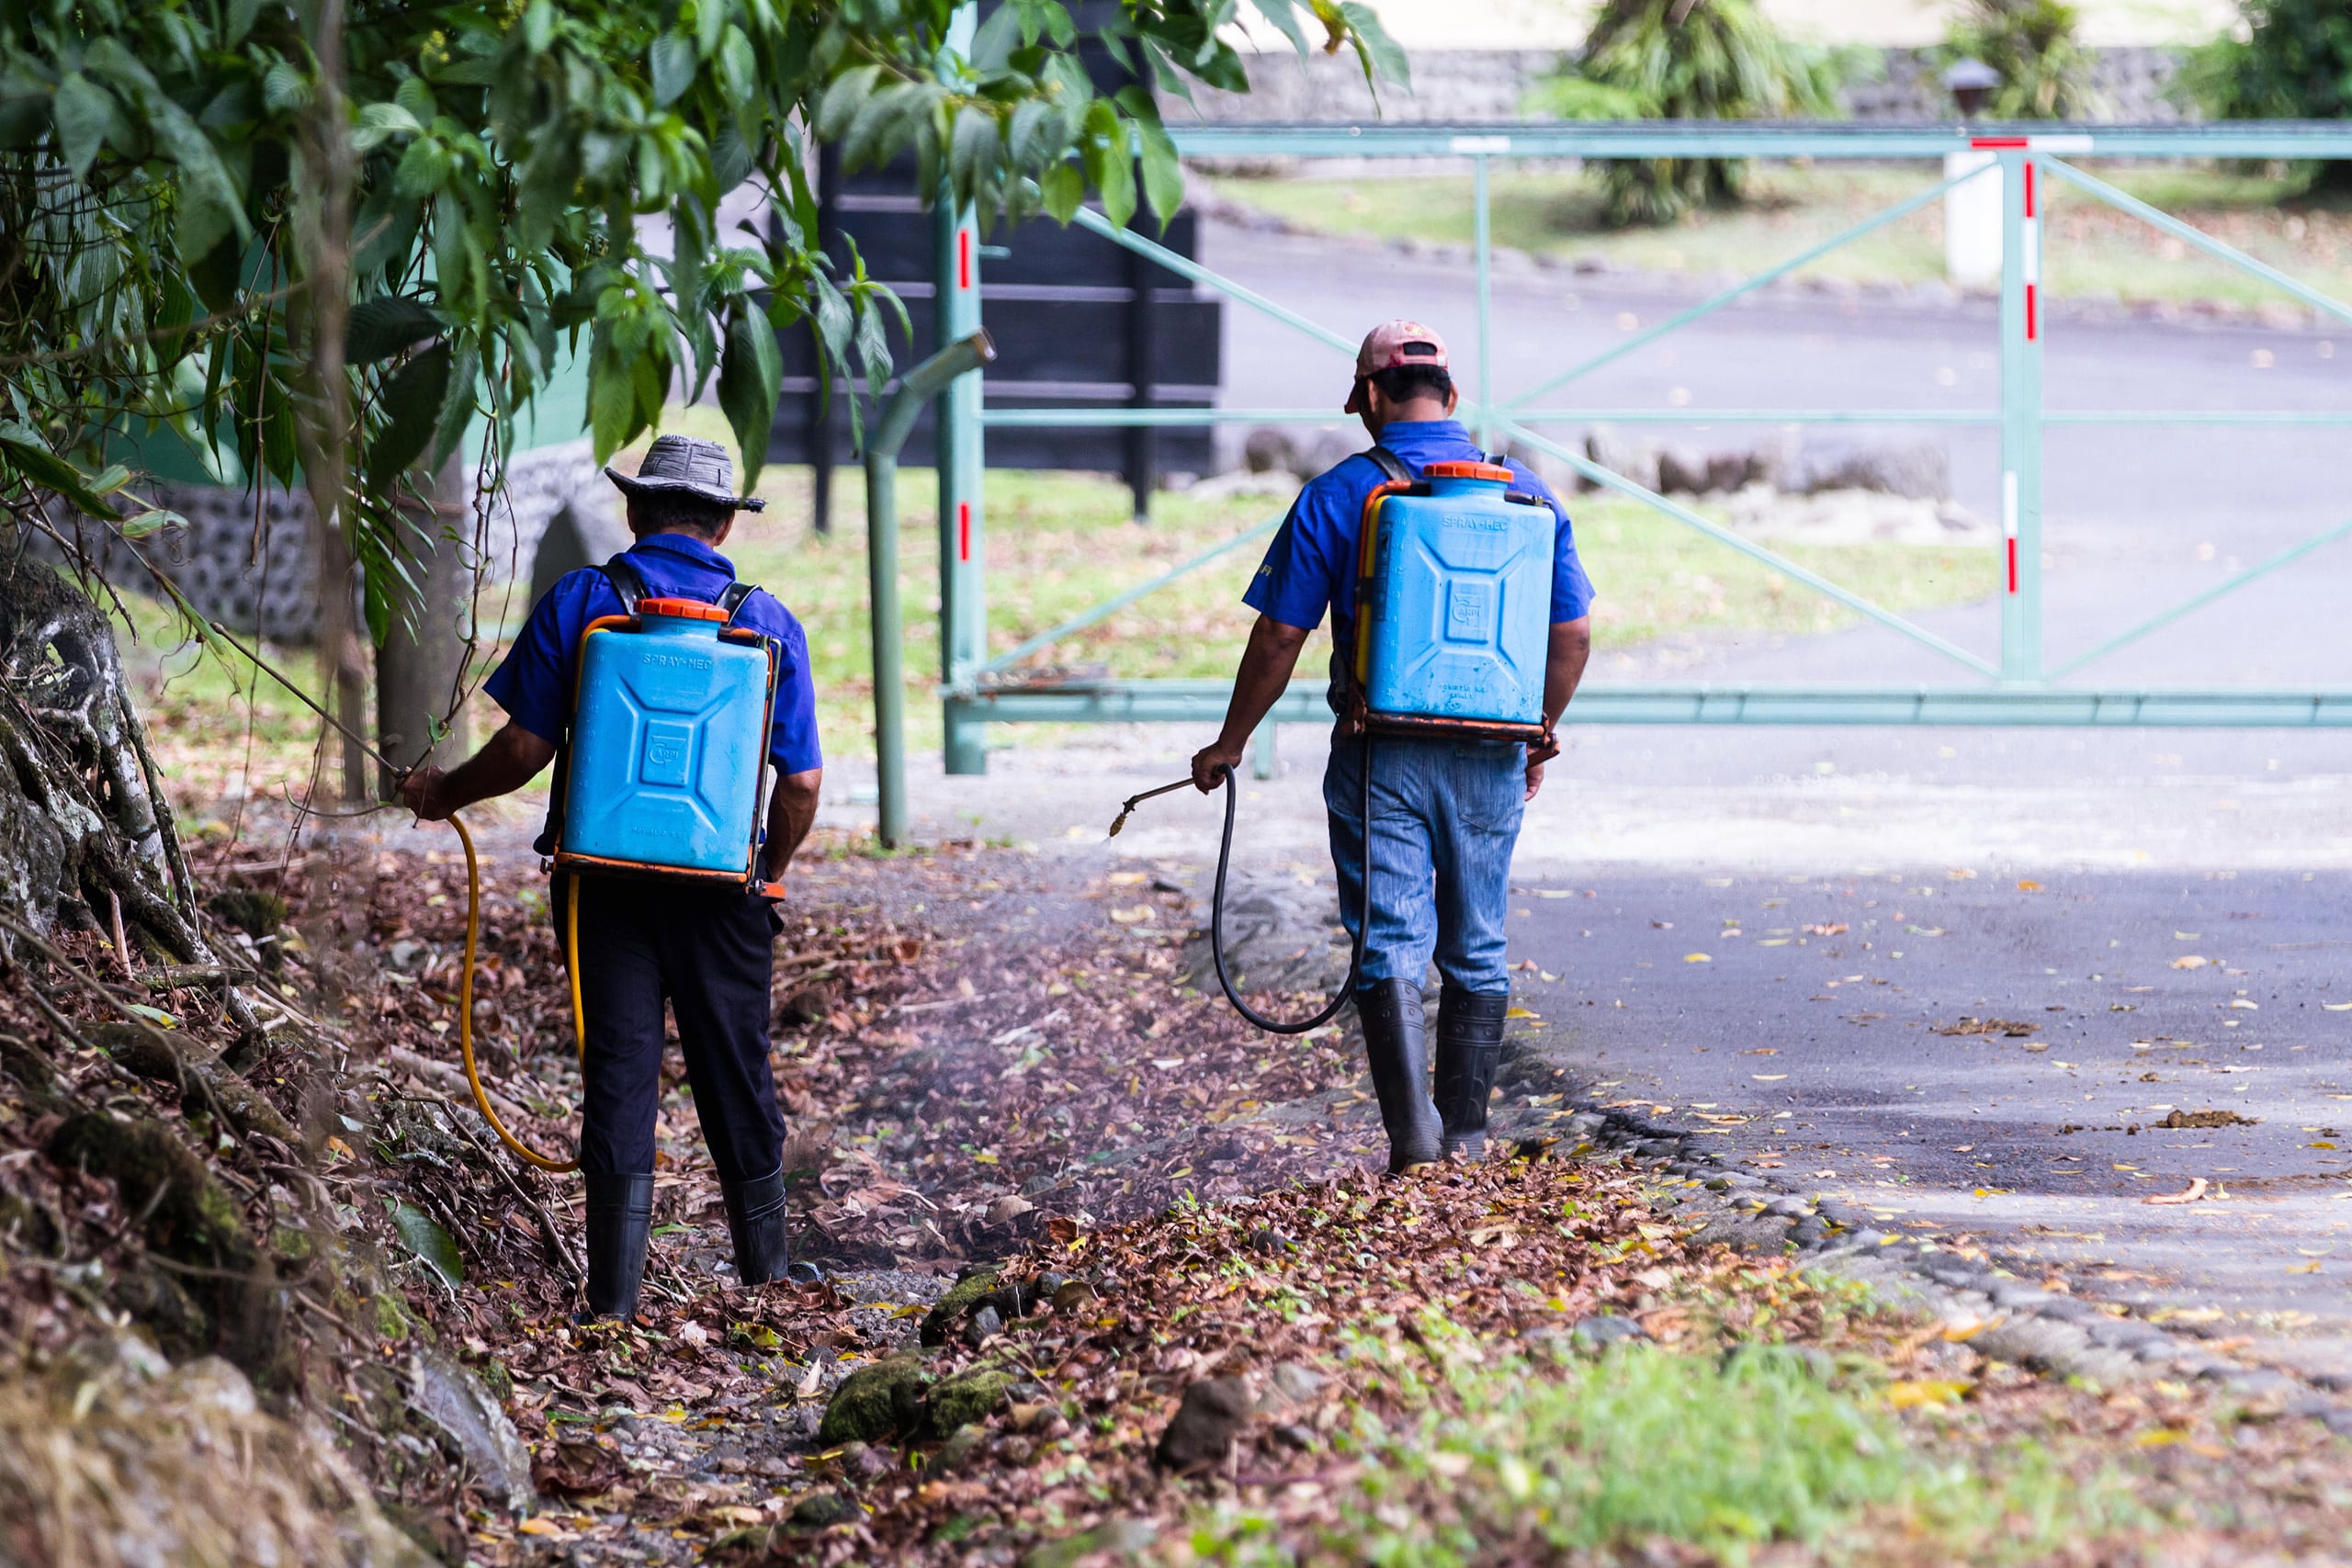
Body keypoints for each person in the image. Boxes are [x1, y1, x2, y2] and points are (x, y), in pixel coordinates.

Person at [400, 434, 823, 1318]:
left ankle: (613, 1303)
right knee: (735, 1071)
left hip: (604, 891)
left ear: (635, 511)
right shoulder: (767, 623)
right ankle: (769, 1279)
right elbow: (803, 781)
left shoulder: (586, 599)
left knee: (620, 1072)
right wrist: (767, 875)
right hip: (724, 895)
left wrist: (445, 792)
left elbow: (522, 748)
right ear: (720, 524)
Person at [1190, 321, 1594, 1173]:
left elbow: (1278, 638)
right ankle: (1469, 1139)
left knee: (1389, 940)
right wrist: (1539, 734)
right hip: (1492, 752)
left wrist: (1230, 742)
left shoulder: (1340, 495)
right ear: (1450, 394)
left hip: (1382, 752)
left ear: (1370, 397)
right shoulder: (1526, 496)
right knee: (1477, 938)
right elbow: (1574, 633)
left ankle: (1414, 1142)